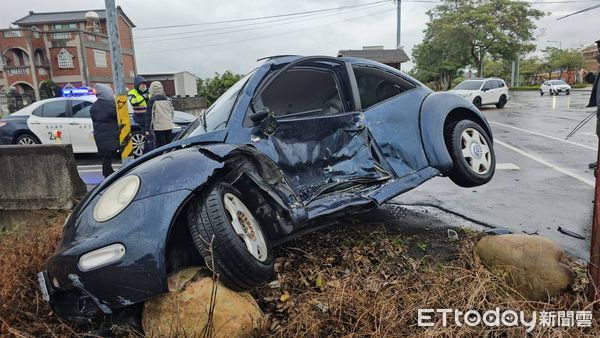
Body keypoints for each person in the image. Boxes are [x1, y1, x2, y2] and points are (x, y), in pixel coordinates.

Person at [90, 84, 119, 178]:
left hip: (99, 134)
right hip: (109, 134)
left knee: (105, 155)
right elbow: (119, 117)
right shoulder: (110, 105)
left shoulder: (94, 106)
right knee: (108, 155)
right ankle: (108, 173)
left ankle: (107, 171)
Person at [128, 75, 155, 153]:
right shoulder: (132, 92)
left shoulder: (148, 92)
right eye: (141, 84)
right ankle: (149, 153)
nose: (143, 86)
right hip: (140, 118)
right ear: (137, 85)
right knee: (150, 136)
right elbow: (133, 102)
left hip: (149, 117)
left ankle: (147, 153)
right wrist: (143, 96)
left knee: (149, 137)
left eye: (144, 84)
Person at [147, 81, 174, 148]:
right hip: (169, 126)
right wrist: (169, 121)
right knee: (168, 144)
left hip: (158, 127)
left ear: (152, 89)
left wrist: (148, 128)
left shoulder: (152, 100)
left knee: (160, 146)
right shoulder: (168, 99)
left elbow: (150, 115)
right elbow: (172, 112)